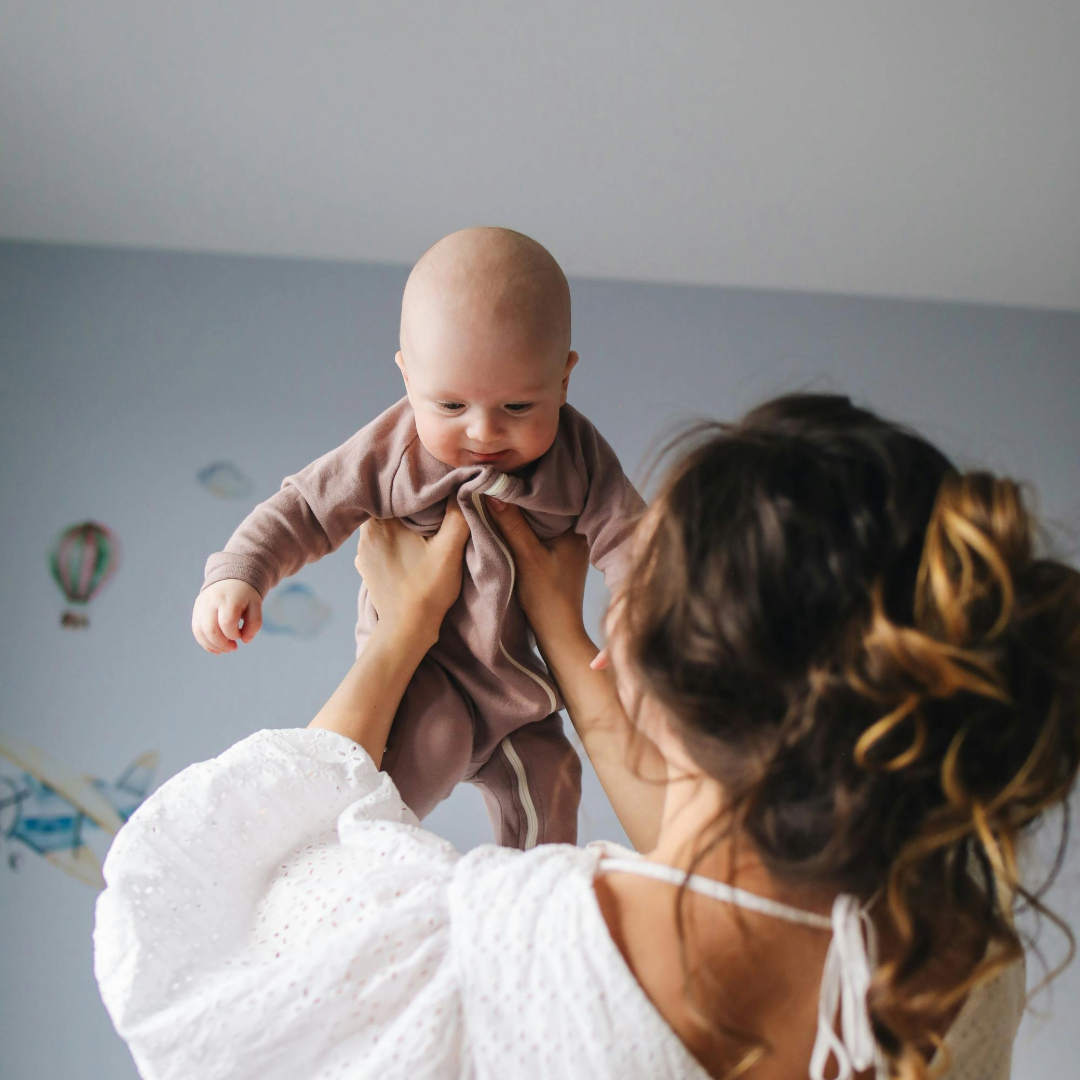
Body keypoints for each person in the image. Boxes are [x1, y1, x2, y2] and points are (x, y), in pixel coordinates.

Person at [97, 394, 1080, 1080]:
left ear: (654, 674)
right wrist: (565, 636)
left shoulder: (510, 946)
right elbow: (732, 867)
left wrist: (402, 630)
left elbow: (241, 885)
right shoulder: (960, 971)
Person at [190, 226, 643, 849]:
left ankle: (526, 910)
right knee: (372, 800)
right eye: (451, 406)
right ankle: (351, 885)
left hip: (522, 695)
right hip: (426, 681)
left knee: (553, 784)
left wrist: (642, 608)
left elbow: (630, 535)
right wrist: (242, 571)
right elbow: (305, 507)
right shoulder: (393, 450)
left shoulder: (579, 458)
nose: (484, 431)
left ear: (563, 381)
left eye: (518, 407)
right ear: (408, 379)